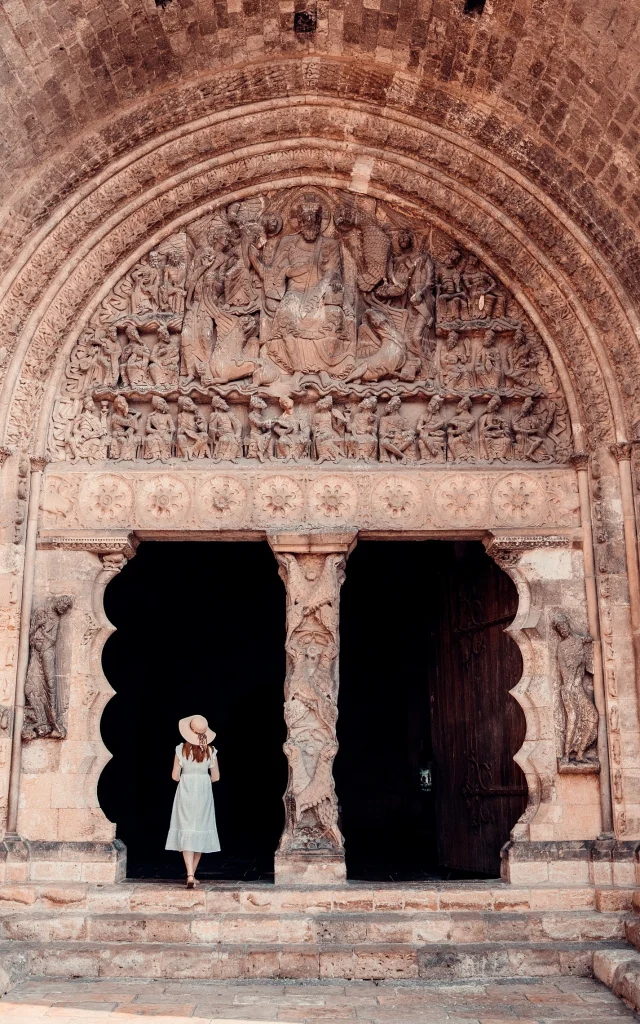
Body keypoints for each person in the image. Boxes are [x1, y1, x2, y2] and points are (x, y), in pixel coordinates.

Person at [166, 715, 220, 887]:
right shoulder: (211, 751)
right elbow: (216, 777)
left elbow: (175, 776)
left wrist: (188, 777)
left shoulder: (180, 749)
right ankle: (192, 875)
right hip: (204, 792)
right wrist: (202, 779)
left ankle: (190, 874)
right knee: (200, 829)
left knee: (187, 828)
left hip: (186, 791)